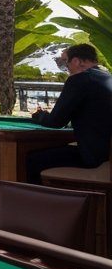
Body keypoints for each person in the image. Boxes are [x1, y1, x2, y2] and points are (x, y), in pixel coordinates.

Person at [26, 44, 112, 183]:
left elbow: (55, 122)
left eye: (66, 62)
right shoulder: (107, 78)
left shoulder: (80, 79)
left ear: (77, 61)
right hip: (105, 155)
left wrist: (39, 115)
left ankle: (37, 204)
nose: (66, 68)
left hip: (91, 157)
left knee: (30, 159)